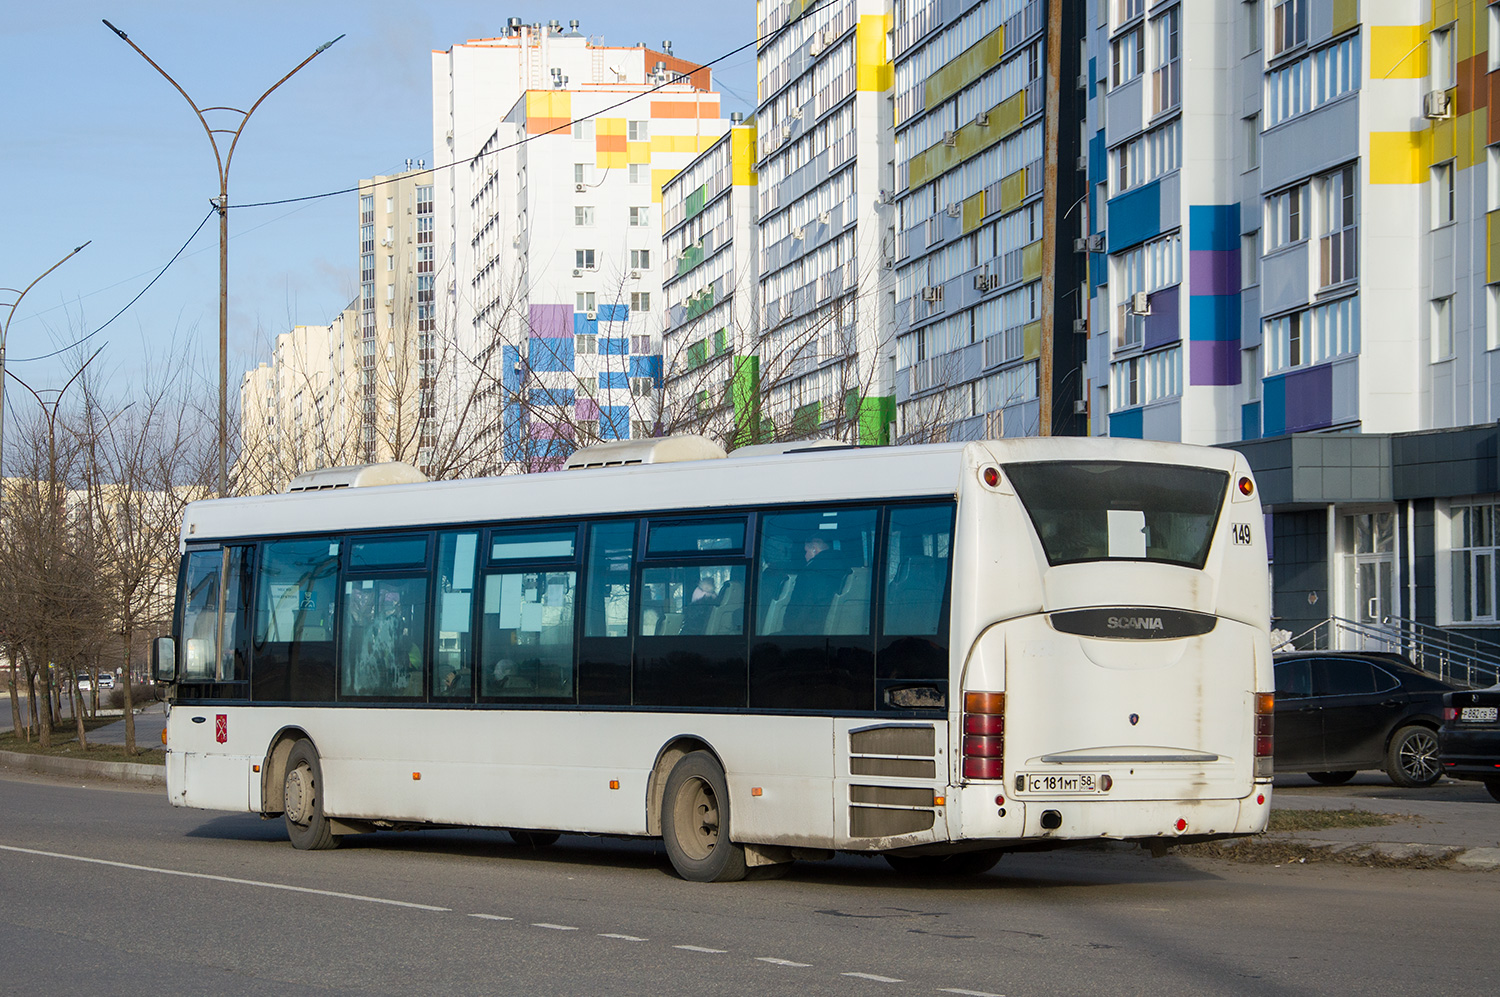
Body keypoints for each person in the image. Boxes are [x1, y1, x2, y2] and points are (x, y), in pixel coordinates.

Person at [781, 535, 848, 634]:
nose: (804, 556)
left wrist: (787, 625)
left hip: (809, 633)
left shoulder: (809, 574)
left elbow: (797, 617)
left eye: (805, 551)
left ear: (814, 549)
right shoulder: (844, 569)